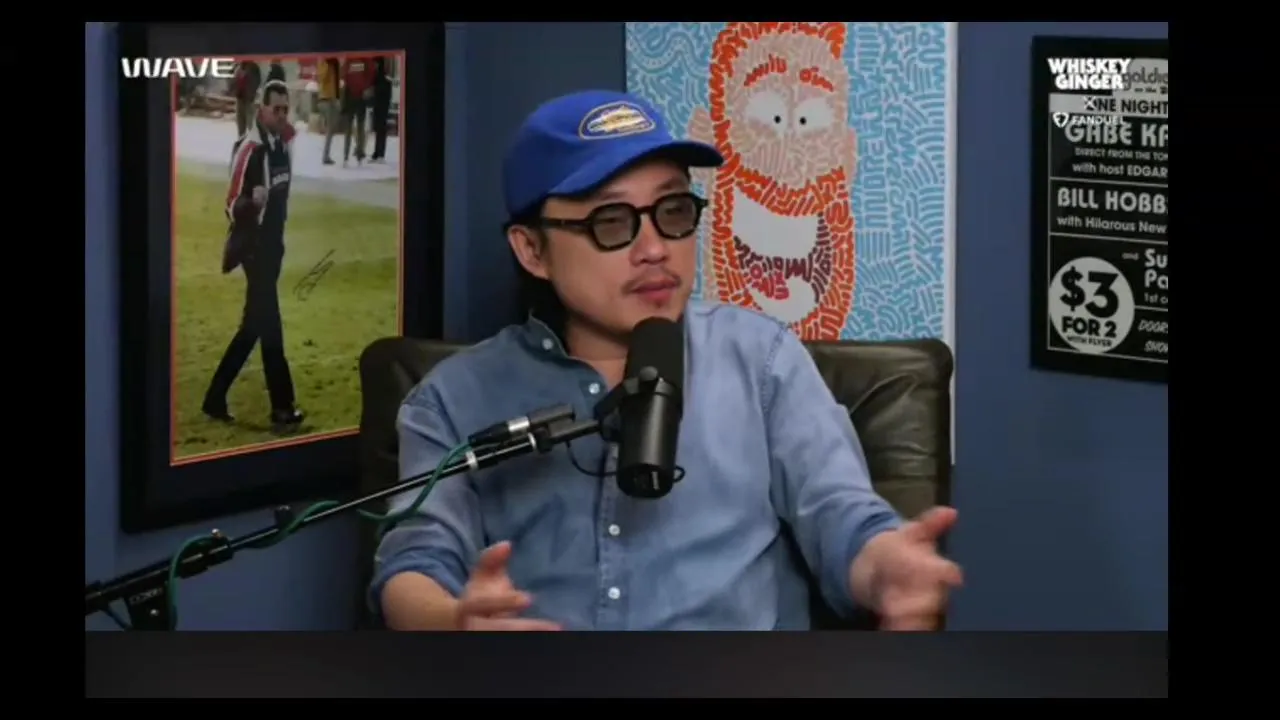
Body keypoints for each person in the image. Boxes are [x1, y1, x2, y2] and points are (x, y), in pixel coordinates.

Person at [371, 90, 963, 632]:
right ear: (532, 250)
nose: (655, 249)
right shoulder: (450, 399)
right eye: (611, 222)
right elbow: (413, 565)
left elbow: (841, 518)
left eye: (674, 211)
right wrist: (453, 623)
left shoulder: (762, 362)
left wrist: (888, 569)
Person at [203, 80, 304, 429]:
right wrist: (252, 202)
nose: (282, 115)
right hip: (254, 250)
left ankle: (215, 397)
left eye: (286, 109)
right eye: (276, 109)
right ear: (262, 109)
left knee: (253, 327)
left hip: (273, 248)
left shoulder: (282, 143)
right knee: (271, 328)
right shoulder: (250, 148)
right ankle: (282, 408)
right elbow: (231, 204)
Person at [340, 56, 376, 166]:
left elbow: (343, 74)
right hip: (360, 97)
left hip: (351, 96)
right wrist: (365, 86)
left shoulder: (349, 59)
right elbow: (372, 72)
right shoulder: (365, 59)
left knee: (349, 128)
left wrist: (350, 84)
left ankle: (346, 157)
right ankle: (359, 155)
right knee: (360, 127)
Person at [317, 57, 341, 166]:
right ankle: (325, 156)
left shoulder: (335, 64)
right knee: (330, 129)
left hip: (333, 99)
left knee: (331, 128)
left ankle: (326, 155)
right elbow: (321, 78)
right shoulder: (324, 63)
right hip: (325, 99)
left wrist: (337, 98)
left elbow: (336, 83)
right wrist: (327, 66)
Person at [369, 56, 392, 163]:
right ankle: (378, 152)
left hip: (381, 106)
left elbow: (381, 91)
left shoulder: (381, 77)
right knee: (379, 130)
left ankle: (380, 153)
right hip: (379, 106)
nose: (374, 65)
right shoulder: (378, 76)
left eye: (375, 63)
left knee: (381, 130)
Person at [231, 60, 261, 138]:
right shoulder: (238, 67)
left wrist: (251, 93)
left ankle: (254, 139)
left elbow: (256, 81)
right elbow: (233, 81)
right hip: (239, 98)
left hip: (248, 99)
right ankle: (241, 139)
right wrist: (235, 90)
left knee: (250, 122)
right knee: (240, 123)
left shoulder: (253, 67)